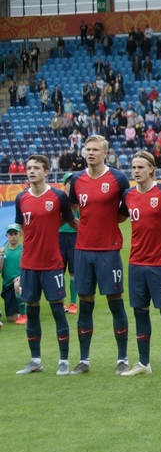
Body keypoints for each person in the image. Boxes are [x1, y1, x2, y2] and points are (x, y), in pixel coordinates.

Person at [68, 134, 131, 375]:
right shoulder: (76, 179)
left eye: (95, 149)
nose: (91, 153)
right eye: (88, 149)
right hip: (83, 251)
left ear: (105, 153)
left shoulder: (117, 178)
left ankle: (122, 359)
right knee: (85, 305)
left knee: (116, 303)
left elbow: (125, 210)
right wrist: (81, 226)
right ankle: (84, 360)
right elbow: (72, 207)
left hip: (109, 251)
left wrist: (108, 225)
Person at [120, 151, 161, 377]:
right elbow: (119, 217)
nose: (136, 171)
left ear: (151, 170)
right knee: (140, 312)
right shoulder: (128, 195)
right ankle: (143, 363)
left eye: (140, 167)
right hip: (136, 263)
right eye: (133, 167)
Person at [14, 155, 77, 376]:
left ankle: (63, 361)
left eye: (36, 168)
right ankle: (35, 360)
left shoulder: (58, 197)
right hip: (29, 266)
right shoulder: (21, 198)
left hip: (52, 265)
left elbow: (72, 222)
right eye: (29, 168)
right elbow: (22, 229)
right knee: (31, 312)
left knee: (58, 311)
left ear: (46, 171)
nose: (31, 171)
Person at [59, 173, 78, 314]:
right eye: (69, 181)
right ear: (64, 184)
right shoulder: (58, 199)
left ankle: (73, 303)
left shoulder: (79, 200)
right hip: (58, 237)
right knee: (59, 272)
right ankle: (61, 303)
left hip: (74, 238)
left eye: (73, 181)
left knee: (73, 272)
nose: (71, 184)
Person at [1, 223, 26, 325]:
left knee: (17, 285)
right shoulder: (3, 250)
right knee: (11, 318)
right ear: (7, 236)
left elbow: (29, 267)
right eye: (10, 234)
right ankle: (26, 311)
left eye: (15, 233)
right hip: (7, 285)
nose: (13, 236)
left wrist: (21, 276)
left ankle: (24, 314)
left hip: (22, 282)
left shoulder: (24, 249)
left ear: (19, 235)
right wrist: (1, 257)